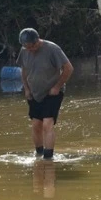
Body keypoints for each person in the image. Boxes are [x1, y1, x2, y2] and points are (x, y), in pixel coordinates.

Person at [17, 28, 74, 160]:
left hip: (52, 93)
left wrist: (57, 87)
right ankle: (39, 154)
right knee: (36, 124)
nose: (29, 50)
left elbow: (69, 68)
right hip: (34, 92)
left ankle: (48, 158)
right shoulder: (24, 50)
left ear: (37, 42)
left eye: (31, 47)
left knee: (47, 123)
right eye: (27, 47)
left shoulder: (52, 49)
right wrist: (26, 89)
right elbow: (24, 70)